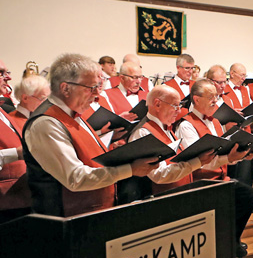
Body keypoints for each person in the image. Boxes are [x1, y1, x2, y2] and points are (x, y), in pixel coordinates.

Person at [23, 53, 157, 217]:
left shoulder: (74, 114)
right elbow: (75, 178)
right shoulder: (46, 123)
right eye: (91, 88)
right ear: (65, 88)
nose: (97, 95)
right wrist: (130, 169)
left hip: (93, 212)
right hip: (67, 219)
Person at [175, 79, 253, 255]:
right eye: (211, 97)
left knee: (249, 195)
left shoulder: (214, 122)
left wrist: (240, 155)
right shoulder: (186, 125)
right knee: (243, 197)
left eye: (217, 96)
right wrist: (228, 157)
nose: (216, 101)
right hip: (200, 184)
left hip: (219, 180)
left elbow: (223, 155)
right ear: (196, 99)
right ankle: (226, 241)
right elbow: (199, 161)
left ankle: (231, 239)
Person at [0, 73, 49, 222]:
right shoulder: (15, 116)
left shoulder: (3, 113)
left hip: (28, 195)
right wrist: (17, 153)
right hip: (8, 201)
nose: (9, 77)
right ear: (25, 98)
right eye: (1, 73)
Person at [164, 53, 195, 121]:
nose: (190, 71)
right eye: (187, 68)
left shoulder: (196, 85)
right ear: (178, 68)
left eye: (192, 68)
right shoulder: (166, 87)